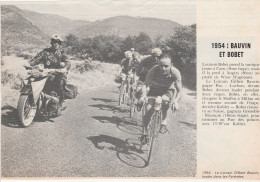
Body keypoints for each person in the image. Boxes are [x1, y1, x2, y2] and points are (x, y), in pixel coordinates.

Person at [140, 55, 183, 144]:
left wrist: (176, 100)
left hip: (168, 90)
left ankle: (164, 121)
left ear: (171, 65)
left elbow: (180, 90)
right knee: (148, 109)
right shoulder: (154, 70)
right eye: (161, 65)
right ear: (158, 64)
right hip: (154, 89)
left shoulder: (175, 72)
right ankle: (144, 132)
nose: (163, 68)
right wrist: (144, 95)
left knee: (165, 100)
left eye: (166, 66)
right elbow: (145, 84)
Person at [28, 34, 71, 107]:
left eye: (58, 42)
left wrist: (65, 68)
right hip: (46, 73)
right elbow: (36, 59)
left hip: (59, 73)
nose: (56, 44)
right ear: (51, 43)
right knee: (32, 80)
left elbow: (67, 62)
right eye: (54, 42)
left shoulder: (62, 52)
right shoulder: (45, 52)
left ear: (60, 43)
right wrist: (29, 64)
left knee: (60, 83)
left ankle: (59, 102)